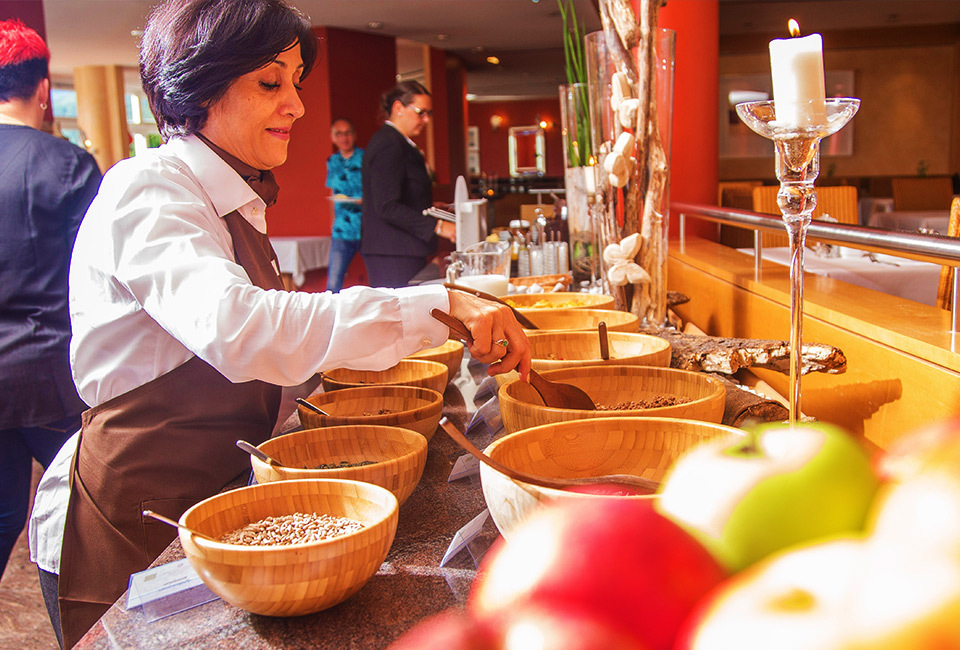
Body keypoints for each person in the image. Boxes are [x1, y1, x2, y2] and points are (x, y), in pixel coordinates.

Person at [26, 1, 529, 647]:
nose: (295, 104)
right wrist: (443, 306)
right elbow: (242, 329)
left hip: (218, 503)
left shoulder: (234, 195)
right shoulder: (148, 188)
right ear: (198, 85)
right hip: (132, 515)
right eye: (271, 82)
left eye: (296, 81)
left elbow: (272, 354)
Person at [0, 19, 101, 583]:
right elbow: (97, 277)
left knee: (3, 514)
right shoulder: (64, 163)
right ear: (43, 90)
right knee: (88, 506)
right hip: (47, 373)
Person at [361, 80, 456, 288]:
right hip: (392, 251)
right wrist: (439, 226)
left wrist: (430, 209)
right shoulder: (388, 144)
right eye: (421, 112)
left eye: (429, 113)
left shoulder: (400, 143)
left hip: (401, 248)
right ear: (398, 108)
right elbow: (387, 206)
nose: (426, 120)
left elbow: (401, 194)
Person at [325, 117, 363, 292]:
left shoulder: (365, 158)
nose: (344, 138)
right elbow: (333, 193)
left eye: (347, 133)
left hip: (366, 228)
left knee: (381, 280)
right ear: (333, 138)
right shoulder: (332, 162)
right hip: (341, 230)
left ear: (354, 135)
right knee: (333, 283)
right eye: (339, 134)